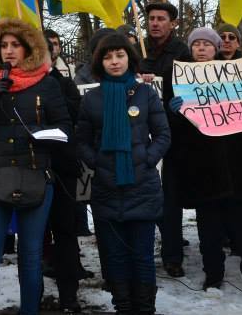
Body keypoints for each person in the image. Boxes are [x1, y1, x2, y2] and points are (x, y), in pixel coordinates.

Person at [0, 18, 71, 315]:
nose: (9, 51)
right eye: (3, 46)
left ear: (28, 49)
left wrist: (43, 134)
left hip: (37, 176)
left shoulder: (47, 84)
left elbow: (66, 129)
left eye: (15, 45)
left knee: (30, 256)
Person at [167, 27, 242, 302]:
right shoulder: (179, 79)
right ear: (191, 49)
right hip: (203, 170)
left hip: (239, 167)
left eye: (207, 44)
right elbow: (173, 130)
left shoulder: (238, 75)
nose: (201, 48)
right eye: (196, 44)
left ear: (216, 49)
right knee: (208, 231)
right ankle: (213, 275)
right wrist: (175, 112)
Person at [76, 33, 170, 314]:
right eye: (107, 57)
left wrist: (146, 159)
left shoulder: (145, 93)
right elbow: (80, 140)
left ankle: (144, 308)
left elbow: (163, 135)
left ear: (130, 58)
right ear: (99, 62)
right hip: (107, 187)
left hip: (142, 186)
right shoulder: (92, 98)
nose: (114, 61)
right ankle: (123, 307)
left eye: (119, 55)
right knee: (115, 257)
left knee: (142, 256)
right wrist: (98, 163)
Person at [135, 3, 189, 276]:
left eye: (161, 19)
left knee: (170, 197)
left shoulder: (182, 53)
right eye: (151, 18)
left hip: (173, 135)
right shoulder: (137, 51)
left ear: (173, 23)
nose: (155, 23)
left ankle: (172, 256)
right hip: (141, 135)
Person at [43, 30, 87, 311]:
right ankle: (33, 290)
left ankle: (69, 292)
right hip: (30, 169)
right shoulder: (12, 87)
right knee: (34, 235)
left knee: (65, 232)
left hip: (62, 169)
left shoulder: (64, 84)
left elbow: (75, 115)